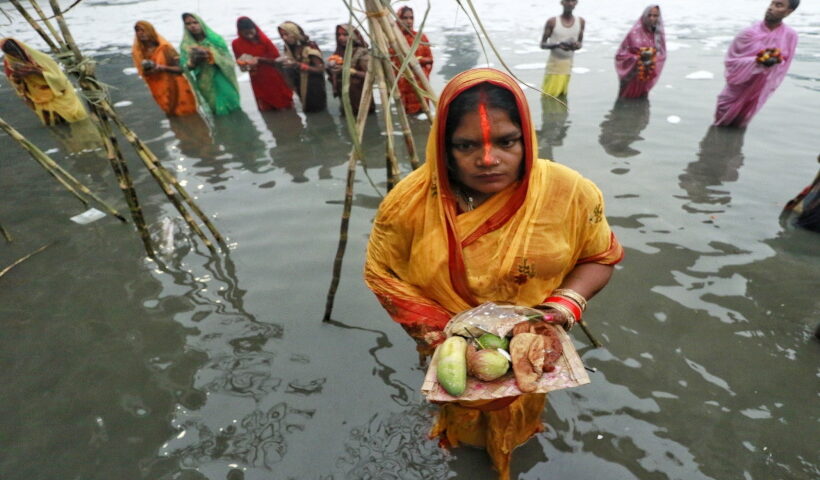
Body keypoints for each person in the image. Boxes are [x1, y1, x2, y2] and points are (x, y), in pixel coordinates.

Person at [364, 68, 623, 480]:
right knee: (459, 415)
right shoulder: (409, 204)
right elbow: (383, 273)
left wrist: (561, 307)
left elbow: (599, 256)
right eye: (466, 146)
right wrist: (440, 333)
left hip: (532, 341)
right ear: (445, 149)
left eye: (506, 142)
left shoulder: (569, 192)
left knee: (521, 413)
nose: (487, 159)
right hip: (449, 346)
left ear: (527, 139)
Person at [713, 0, 799, 127]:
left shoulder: (790, 36)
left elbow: (785, 63)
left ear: (789, 12)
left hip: (759, 88)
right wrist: (758, 61)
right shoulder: (748, 33)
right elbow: (731, 62)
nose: (771, 8)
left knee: (741, 123)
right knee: (721, 121)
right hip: (738, 87)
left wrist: (775, 61)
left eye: (778, 5)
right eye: (772, 3)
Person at [1, 37, 88, 125]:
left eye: (17, 52)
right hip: (38, 97)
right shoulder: (10, 63)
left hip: (59, 94)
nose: (16, 55)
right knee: (53, 123)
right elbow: (16, 84)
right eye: (12, 53)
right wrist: (18, 77)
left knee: (76, 120)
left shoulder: (42, 59)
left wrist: (37, 72)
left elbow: (60, 80)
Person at [180, 13, 241, 116]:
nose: (192, 26)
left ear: (201, 23)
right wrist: (193, 61)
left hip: (222, 77)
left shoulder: (216, 40)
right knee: (216, 111)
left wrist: (211, 54)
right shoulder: (186, 45)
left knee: (233, 105)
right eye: (188, 24)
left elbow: (228, 60)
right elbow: (184, 67)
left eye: (195, 22)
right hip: (205, 82)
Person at [132, 21, 198, 116]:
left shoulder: (165, 48)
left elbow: (181, 69)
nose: (141, 33)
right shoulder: (139, 53)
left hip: (177, 87)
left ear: (151, 31)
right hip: (160, 90)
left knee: (190, 116)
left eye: (144, 30)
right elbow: (143, 73)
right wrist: (149, 70)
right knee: (173, 117)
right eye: (138, 31)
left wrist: (161, 68)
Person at [231, 16, 293, 111]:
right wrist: (245, 64)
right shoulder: (236, 44)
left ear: (255, 28)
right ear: (240, 32)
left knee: (284, 105)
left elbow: (277, 61)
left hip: (275, 78)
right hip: (258, 80)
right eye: (245, 33)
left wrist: (259, 59)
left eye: (251, 31)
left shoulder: (264, 41)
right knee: (266, 108)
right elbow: (240, 64)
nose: (249, 35)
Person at [615, 5, 666, 99]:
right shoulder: (634, 33)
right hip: (632, 76)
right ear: (644, 16)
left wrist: (653, 59)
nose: (652, 18)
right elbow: (620, 56)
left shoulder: (657, 35)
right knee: (627, 102)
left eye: (655, 16)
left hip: (646, 75)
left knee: (642, 103)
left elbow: (662, 54)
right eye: (649, 15)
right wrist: (637, 58)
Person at [275, 21, 327, 113]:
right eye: (282, 35)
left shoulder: (310, 47)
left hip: (314, 85)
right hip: (299, 83)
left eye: (286, 34)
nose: (284, 38)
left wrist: (297, 65)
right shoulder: (289, 47)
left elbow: (321, 69)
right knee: (307, 110)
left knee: (317, 110)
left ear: (294, 33)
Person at [539, 0, 585, 98]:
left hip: (568, 66)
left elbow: (580, 43)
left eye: (573, 1)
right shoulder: (552, 21)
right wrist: (558, 45)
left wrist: (576, 45)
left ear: (576, 3)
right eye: (567, 1)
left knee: (562, 96)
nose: (570, 3)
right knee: (548, 96)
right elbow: (542, 44)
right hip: (553, 66)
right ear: (562, 2)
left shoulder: (580, 21)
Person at [326, 24, 374, 116]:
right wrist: (329, 68)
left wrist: (347, 70)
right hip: (345, 102)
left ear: (354, 36)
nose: (341, 38)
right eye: (339, 35)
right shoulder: (338, 53)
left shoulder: (362, 53)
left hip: (362, 101)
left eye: (345, 35)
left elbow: (369, 76)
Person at [394, 6, 434, 115]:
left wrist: (418, 62)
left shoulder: (421, 37)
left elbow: (430, 60)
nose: (409, 21)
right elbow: (391, 64)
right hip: (403, 88)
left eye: (411, 18)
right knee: (406, 116)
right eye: (405, 18)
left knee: (423, 115)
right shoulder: (393, 40)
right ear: (398, 19)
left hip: (421, 84)